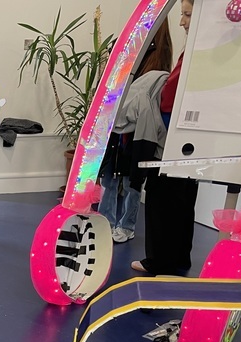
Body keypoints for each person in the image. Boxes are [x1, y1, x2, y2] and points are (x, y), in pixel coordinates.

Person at [132, 0, 198, 275]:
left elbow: (169, 99)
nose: (182, 21)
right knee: (183, 200)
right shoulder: (199, 51)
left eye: (187, 15)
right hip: (190, 143)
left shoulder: (195, 53)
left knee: (162, 200)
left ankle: (158, 261)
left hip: (172, 140)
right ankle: (178, 259)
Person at [99, 19, 173, 243]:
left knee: (132, 181)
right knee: (110, 179)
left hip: (137, 133)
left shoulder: (155, 66)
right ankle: (106, 222)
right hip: (118, 130)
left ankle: (126, 226)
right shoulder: (128, 56)